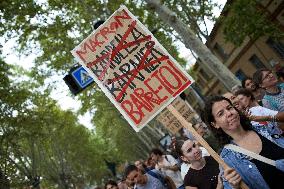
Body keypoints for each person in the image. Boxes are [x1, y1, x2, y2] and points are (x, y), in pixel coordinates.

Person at [203, 95, 284, 189]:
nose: (229, 113)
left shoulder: (262, 129)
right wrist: (235, 186)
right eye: (221, 114)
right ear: (215, 124)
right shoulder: (227, 160)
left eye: (229, 108)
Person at [175, 139, 241, 189]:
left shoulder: (214, 158)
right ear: (184, 158)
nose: (195, 150)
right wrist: (219, 186)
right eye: (189, 150)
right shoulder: (189, 181)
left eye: (194, 146)